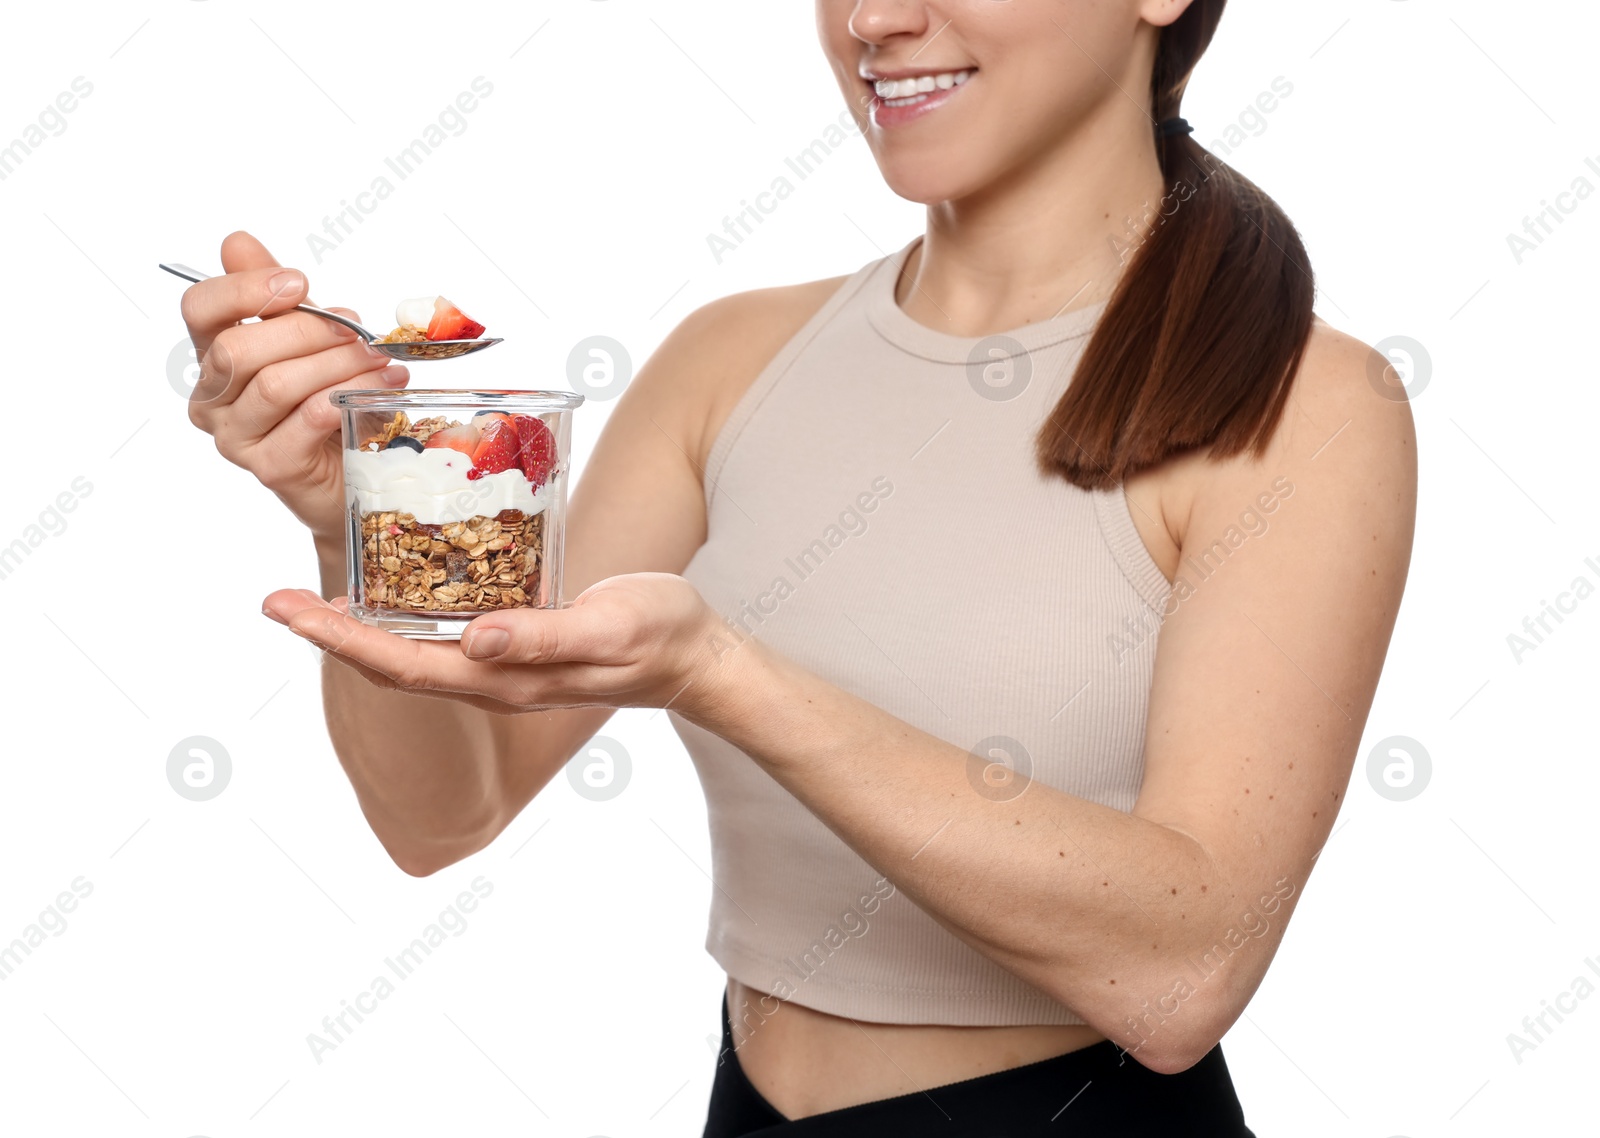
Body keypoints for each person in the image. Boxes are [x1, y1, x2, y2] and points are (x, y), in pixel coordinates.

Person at [176, 1, 1415, 1133]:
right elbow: (444, 810)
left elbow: (1182, 974)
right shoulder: (730, 359)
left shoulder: (1306, 404)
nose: (875, 18)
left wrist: (723, 673)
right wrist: (363, 524)